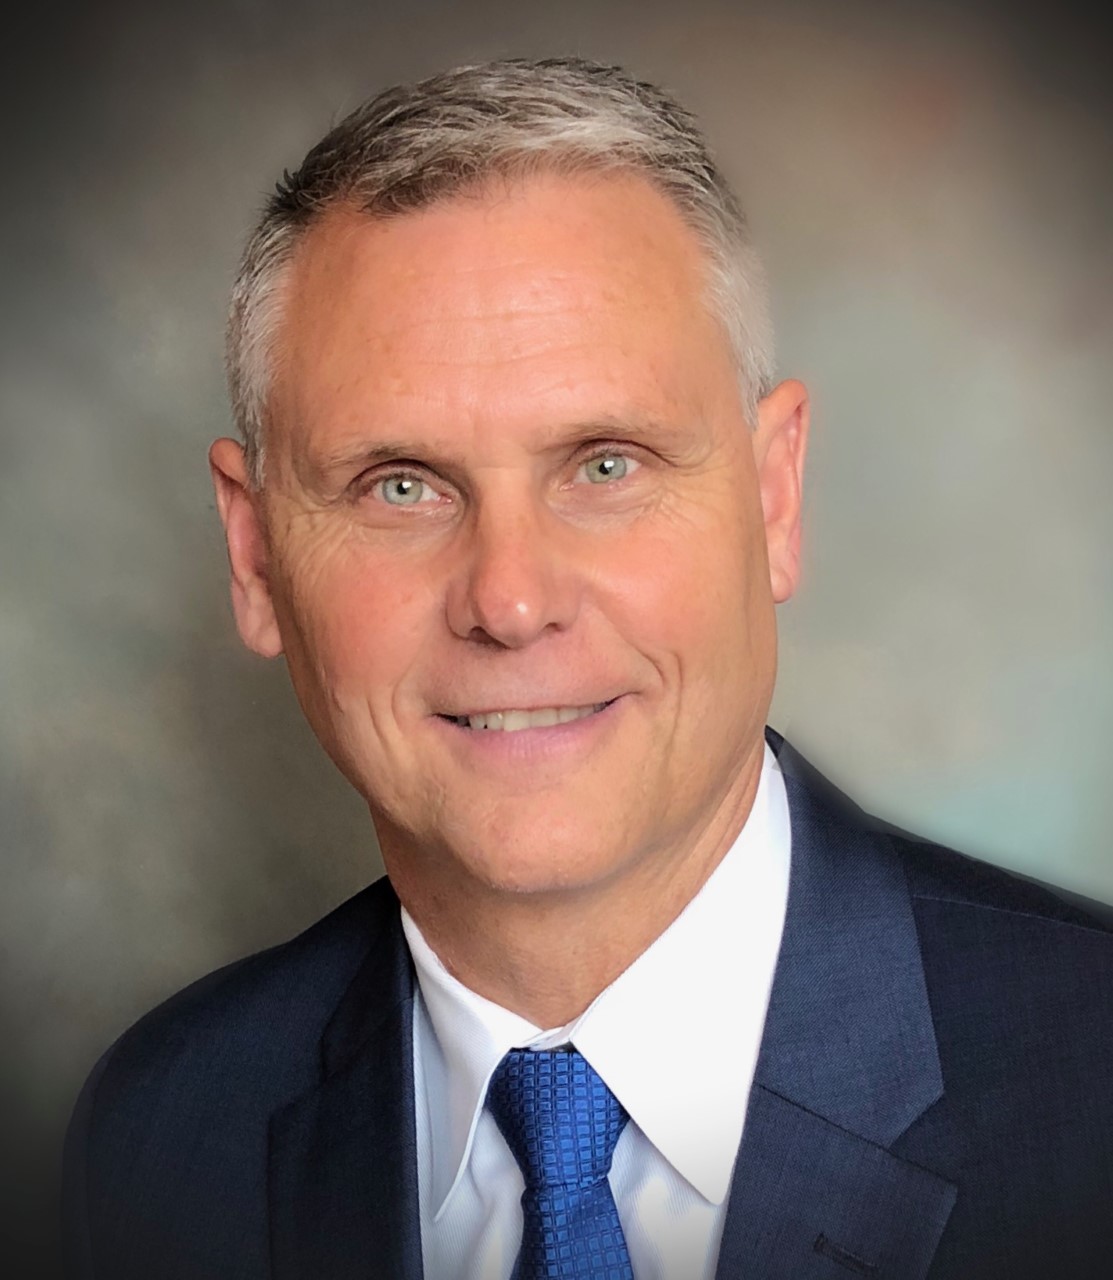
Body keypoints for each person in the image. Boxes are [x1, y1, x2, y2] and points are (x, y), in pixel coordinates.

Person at [63, 57, 1113, 1280]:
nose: (510, 599)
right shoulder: (162, 1136)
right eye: (401, 485)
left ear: (774, 497)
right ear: (254, 553)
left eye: (604, 464)